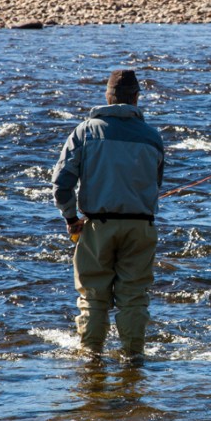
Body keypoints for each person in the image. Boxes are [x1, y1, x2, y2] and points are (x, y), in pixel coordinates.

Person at [51, 69, 164, 360]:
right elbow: (157, 184)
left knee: (93, 298)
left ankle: (91, 361)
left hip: (96, 226)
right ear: (136, 98)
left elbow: (62, 184)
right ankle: (134, 359)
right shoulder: (153, 137)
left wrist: (70, 218)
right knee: (134, 299)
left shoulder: (85, 131)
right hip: (141, 227)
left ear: (107, 96)